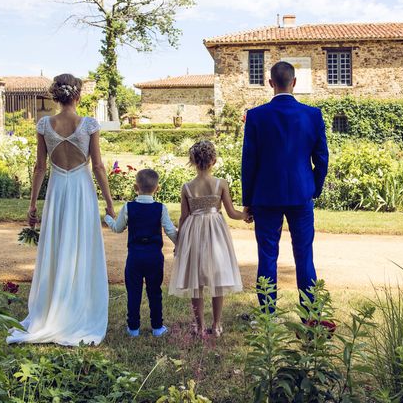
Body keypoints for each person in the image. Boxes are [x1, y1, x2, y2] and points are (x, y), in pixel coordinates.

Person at [7, 74, 114, 346]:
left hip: (57, 191)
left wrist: (32, 204)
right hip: (81, 189)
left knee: (56, 246)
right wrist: (110, 203)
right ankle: (78, 305)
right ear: (77, 95)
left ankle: (53, 307)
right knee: (81, 246)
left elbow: (39, 167)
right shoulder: (88, 124)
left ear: (56, 95)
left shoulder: (45, 124)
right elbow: (99, 167)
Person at [241, 61, 329, 306]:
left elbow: (249, 161)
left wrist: (247, 201)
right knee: (304, 257)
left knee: (267, 257)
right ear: (294, 83)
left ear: (270, 83)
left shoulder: (256, 116)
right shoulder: (313, 115)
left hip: (266, 197)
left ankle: (267, 317)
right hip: (301, 195)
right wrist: (314, 188)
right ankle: (310, 318)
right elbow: (321, 159)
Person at [169, 140, 246, 337]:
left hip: (193, 232)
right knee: (217, 277)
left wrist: (179, 241)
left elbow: (184, 217)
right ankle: (217, 324)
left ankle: (199, 325)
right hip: (216, 233)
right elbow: (231, 212)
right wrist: (246, 214)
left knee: (196, 280)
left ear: (192, 161)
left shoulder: (187, 187)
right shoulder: (221, 184)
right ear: (213, 160)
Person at [104, 169, 178, 337]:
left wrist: (108, 218)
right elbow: (170, 230)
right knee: (155, 291)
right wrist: (180, 244)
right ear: (157, 189)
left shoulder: (128, 207)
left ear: (135, 187)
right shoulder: (161, 208)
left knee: (134, 292)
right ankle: (157, 327)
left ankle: (133, 328)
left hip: (135, 257)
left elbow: (118, 228)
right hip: (154, 257)